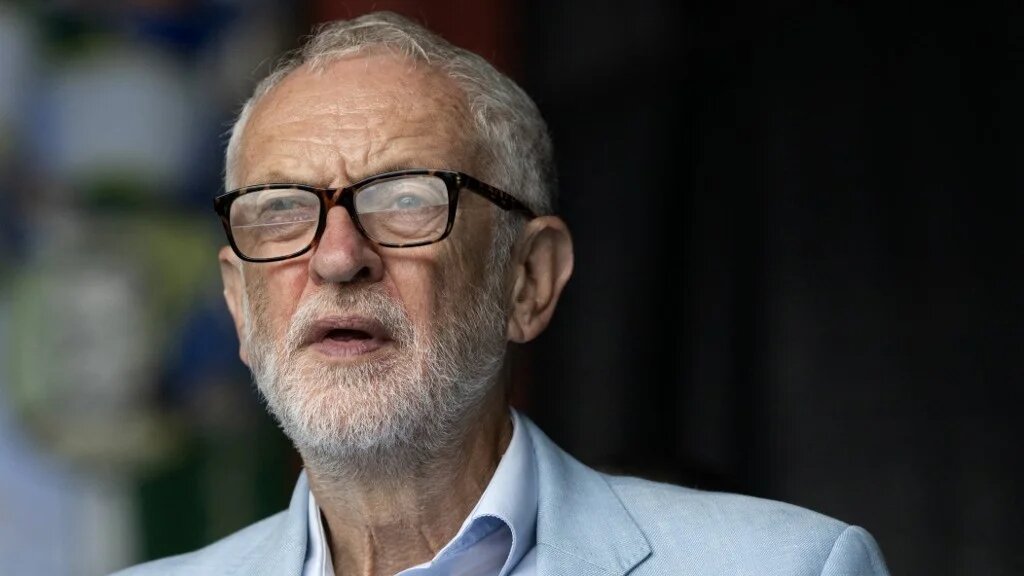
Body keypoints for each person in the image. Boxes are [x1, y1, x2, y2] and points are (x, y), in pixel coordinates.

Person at [115, 11, 889, 576]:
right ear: (239, 305)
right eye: (282, 210)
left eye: (406, 199)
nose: (338, 257)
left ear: (529, 279)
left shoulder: (788, 567)